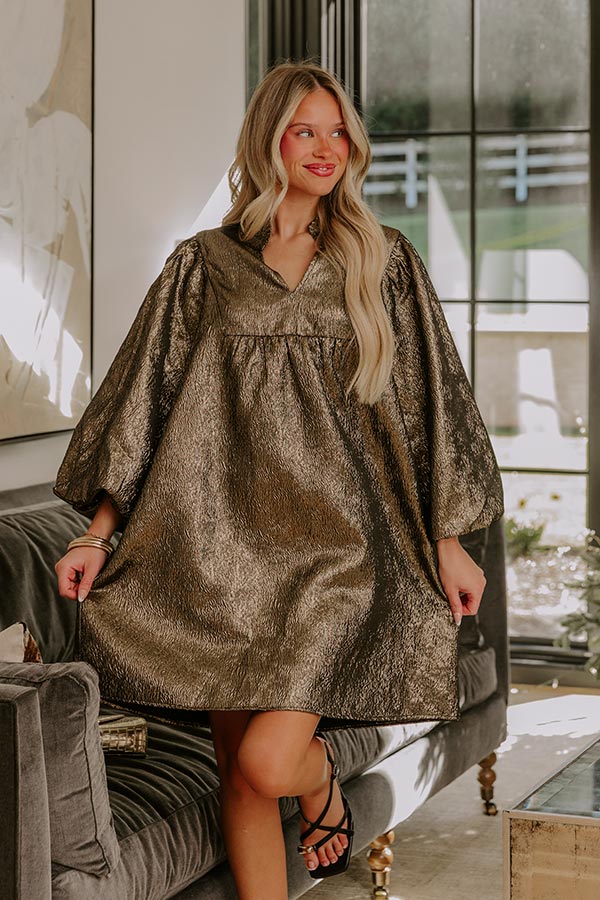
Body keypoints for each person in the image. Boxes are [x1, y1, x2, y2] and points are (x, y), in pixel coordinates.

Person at [54, 59, 504, 898]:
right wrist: (97, 535)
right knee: (238, 772)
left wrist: (449, 538)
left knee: (269, 763)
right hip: (219, 551)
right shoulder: (203, 264)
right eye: (306, 131)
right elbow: (144, 401)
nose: (327, 149)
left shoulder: (383, 259)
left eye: (339, 133)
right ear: (270, 141)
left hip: (341, 554)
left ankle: (321, 774)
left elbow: (430, 403)